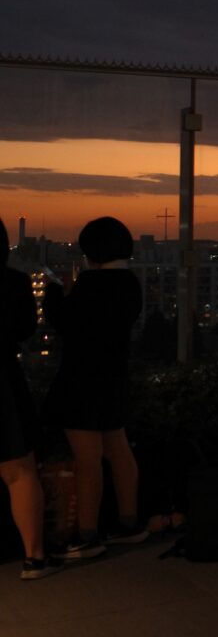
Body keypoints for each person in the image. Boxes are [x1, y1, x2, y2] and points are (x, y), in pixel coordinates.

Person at [43, 216, 147, 559]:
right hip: (114, 377)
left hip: (82, 380)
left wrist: (54, 291)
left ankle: (87, 534)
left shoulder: (91, 284)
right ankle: (129, 522)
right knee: (118, 449)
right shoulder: (130, 283)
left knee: (87, 459)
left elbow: (65, 322)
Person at [1, 219, 63, 580]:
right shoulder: (14, 282)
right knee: (19, 470)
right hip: (2, 381)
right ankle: (34, 556)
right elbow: (25, 329)